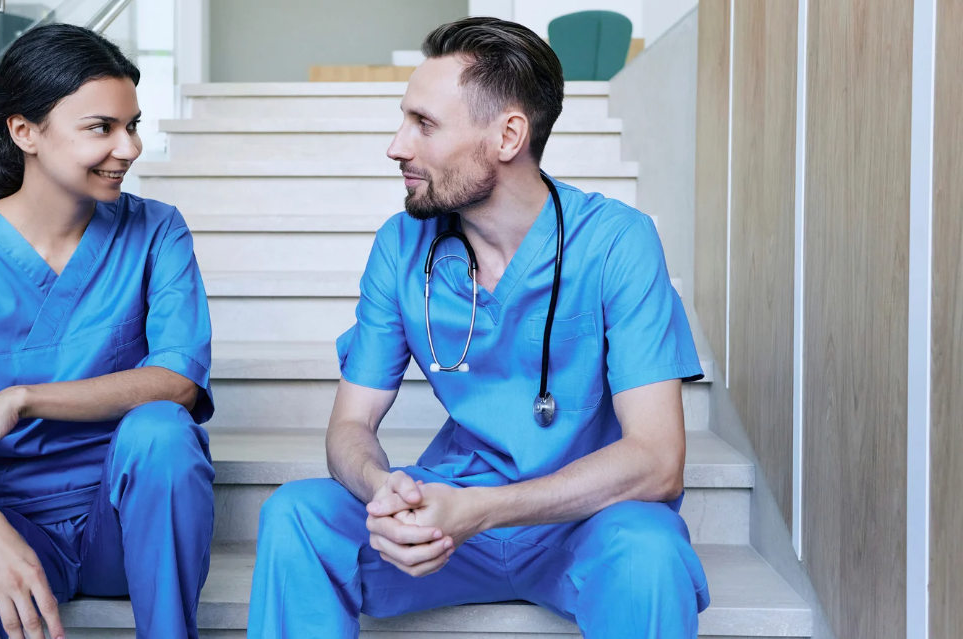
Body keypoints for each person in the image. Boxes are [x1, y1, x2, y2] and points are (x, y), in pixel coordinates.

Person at [248, 16, 709, 639]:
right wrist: (383, 490)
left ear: (508, 135)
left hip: (584, 523)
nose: (397, 146)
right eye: (404, 120)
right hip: (450, 521)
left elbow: (657, 460)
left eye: (424, 124)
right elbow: (349, 427)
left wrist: (483, 510)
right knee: (297, 515)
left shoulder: (616, 242)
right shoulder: (401, 246)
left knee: (650, 552)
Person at [0, 24, 215, 639]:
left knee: (163, 431)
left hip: (127, 520)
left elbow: (178, 382)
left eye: (133, 125)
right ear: (24, 132)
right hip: (10, 519)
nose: (129, 148)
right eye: (101, 128)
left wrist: (20, 399)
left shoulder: (157, 231)